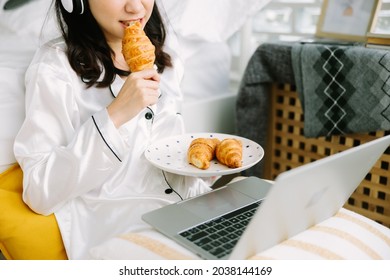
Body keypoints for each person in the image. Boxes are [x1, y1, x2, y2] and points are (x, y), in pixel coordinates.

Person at [13, 0, 211, 259]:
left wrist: (202, 169)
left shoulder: (167, 60)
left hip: (192, 210)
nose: (136, 7)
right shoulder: (54, 68)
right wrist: (115, 115)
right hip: (126, 233)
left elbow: (164, 153)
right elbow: (40, 192)